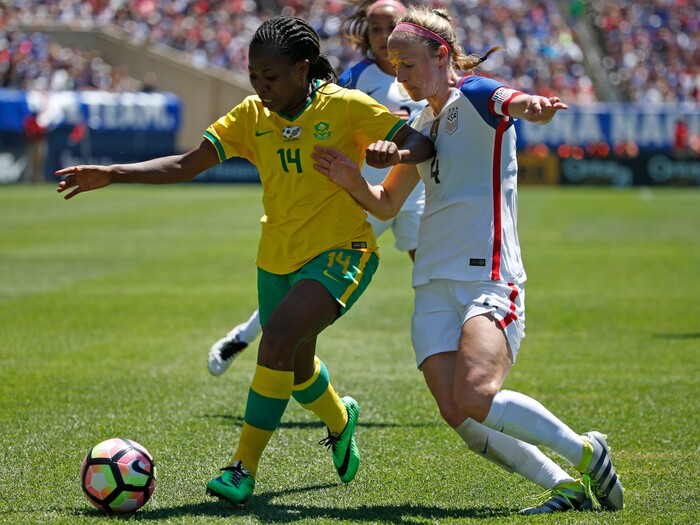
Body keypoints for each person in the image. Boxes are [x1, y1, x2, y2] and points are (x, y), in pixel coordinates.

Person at [56, 15, 434, 505]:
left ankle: (241, 469)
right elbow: (186, 163)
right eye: (254, 76)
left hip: (344, 250)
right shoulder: (252, 115)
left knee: (274, 342)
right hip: (276, 256)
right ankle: (341, 419)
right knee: (296, 368)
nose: (261, 86)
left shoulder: (345, 107)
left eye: (270, 77)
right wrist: (111, 172)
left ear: (303, 69)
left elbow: (420, 141)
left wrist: (391, 152)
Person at [313, 5, 624, 515]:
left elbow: (514, 101)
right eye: (393, 64)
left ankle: (588, 451)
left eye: (408, 65)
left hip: (490, 276)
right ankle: (563, 485)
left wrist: (537, 107)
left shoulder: (475, 95)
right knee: (456, 410)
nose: (400, 75)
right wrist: (351, 180)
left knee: (477, 393)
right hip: (432, 282)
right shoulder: (418, 121)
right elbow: (389, 204)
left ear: (441, 55)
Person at [207, 0, 427, 378]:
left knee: (434, 277)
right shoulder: (354, 80)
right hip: (358, 199)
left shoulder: (426, 76)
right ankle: (244, 336)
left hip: (416, 194)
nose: (383, 35)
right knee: (305, 274)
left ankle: (452, 362)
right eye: (375, 28)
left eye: (391, 26)